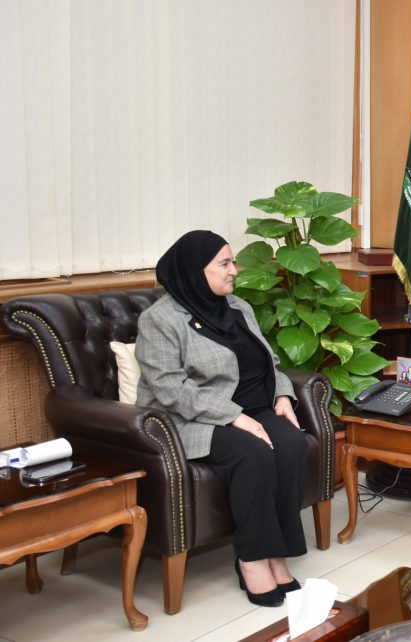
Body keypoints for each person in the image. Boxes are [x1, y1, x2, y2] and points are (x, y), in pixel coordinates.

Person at [135, 230, 308, 608]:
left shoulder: (238, 307)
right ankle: (252, 559)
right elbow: (170, 389)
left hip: (253, 407)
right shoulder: (159, 320)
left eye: (233, 262)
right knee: (254, 453)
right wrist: (233, 417)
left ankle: (277, 553)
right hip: (191, 418)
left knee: (293, 444)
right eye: (224, 264)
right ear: (195, 270)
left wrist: (282, 394)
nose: (235, 270)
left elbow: (268, 359)